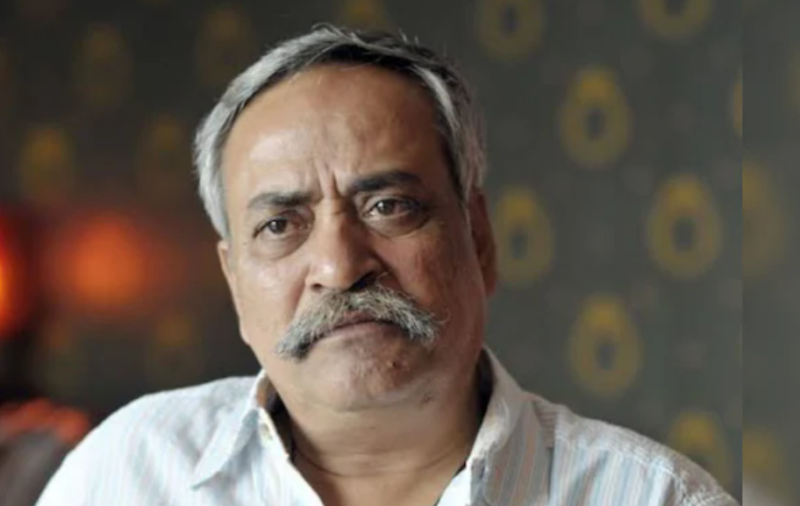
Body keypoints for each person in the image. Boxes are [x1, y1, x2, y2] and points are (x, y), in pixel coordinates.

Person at [35, 25, 738, 506]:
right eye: (280, 225)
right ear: (235, 284)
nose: (339, 267)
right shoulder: (127, 473)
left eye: (388, 207)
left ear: (479, 239)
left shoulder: (654, 497)